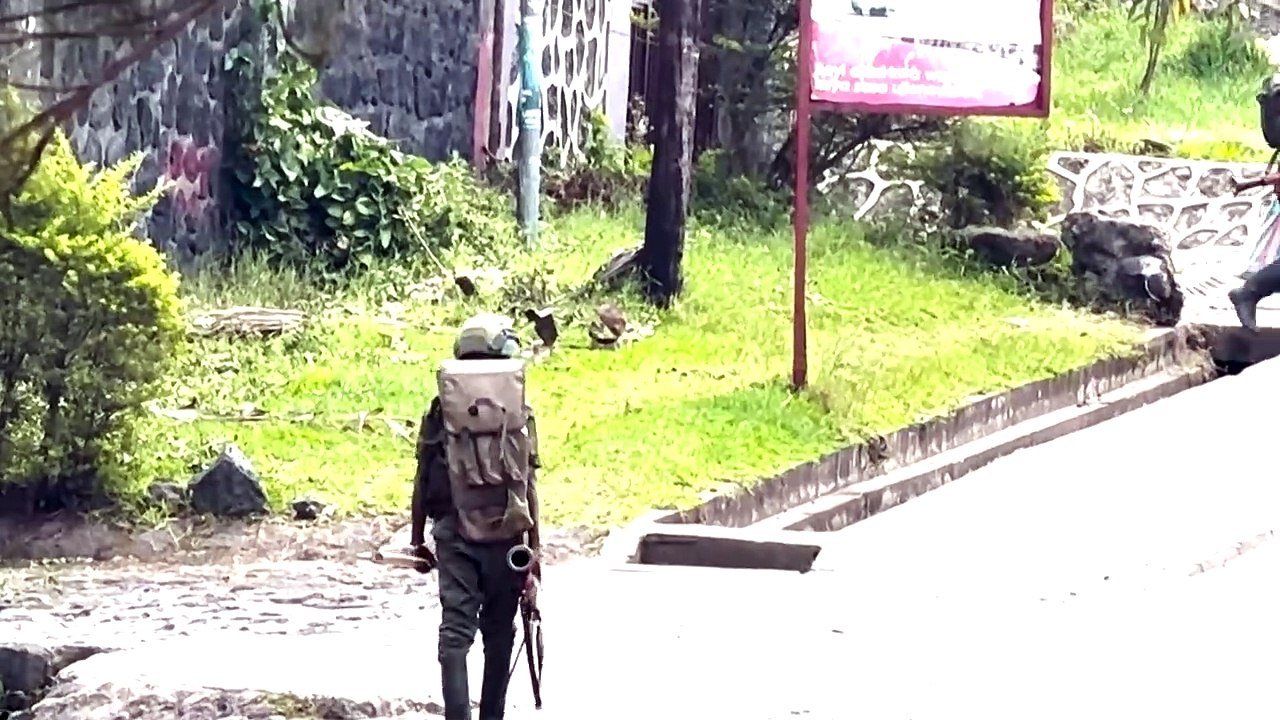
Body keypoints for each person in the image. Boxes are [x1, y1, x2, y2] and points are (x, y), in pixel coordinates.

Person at [408, 313, 543, 720]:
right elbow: (529, 485)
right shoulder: (518, 413)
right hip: (508, 537)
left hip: (453, 533)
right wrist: (535, 553)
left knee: (455, 634)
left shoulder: (441, 412)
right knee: (500, 634)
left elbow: (421, 478)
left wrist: (417, 539)